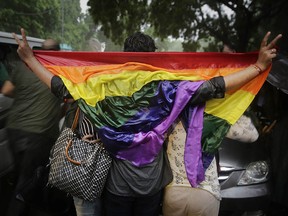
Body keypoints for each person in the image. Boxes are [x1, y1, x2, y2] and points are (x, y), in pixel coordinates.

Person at [12, 28, 281, 216]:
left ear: (123, 55)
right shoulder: (167, 89)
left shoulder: (104, 87)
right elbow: (214, 86)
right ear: (155, 57)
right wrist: (257, 67)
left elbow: (62, 88)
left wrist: (30, 59)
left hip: (116, 188)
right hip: (152, 188)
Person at [1, 39, 63, 216]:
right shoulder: (58, 71)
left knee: (24, 176)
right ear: (57, 52)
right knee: (26, 185)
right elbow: (68, 98)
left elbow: (6, 89)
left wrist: (25, 94)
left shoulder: (24, 65)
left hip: (14, 130)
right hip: (39, 134)